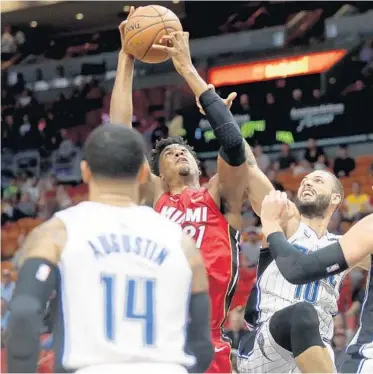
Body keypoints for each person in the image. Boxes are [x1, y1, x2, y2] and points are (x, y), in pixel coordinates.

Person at [110, 9, 274, 373]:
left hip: (205, 339)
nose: (179, 152)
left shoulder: (219, 194)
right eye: (169, 153)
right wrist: (126, 59)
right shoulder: (155, 197)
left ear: (201, 167)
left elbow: (232, 145)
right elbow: (120, 137)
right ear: (158, 170)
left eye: (184, 150)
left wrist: (187, 69)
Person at [6, 125, 213, 374]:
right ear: (143, 173)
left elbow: (24, 312)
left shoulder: (55, 233)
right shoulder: (182, 242)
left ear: (84, 171)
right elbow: (202, 344)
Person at [238, 170, 368, 373]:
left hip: (317, 348)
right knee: (302, 311)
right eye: (304, 181)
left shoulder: (343, 246)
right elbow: (251, 170)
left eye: (317, 181)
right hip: (269, 343)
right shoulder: (285, 220)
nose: (306, 184)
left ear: (336, 197)